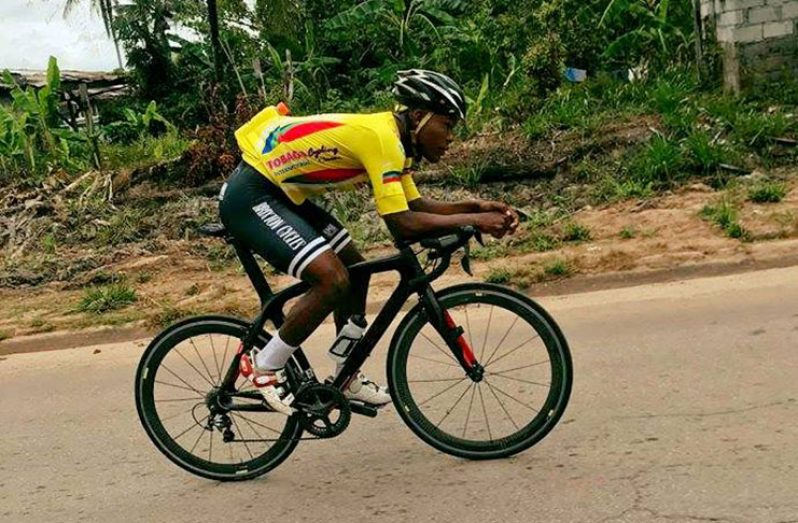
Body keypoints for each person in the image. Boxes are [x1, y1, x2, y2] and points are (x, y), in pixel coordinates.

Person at [219, 69, 519, 415]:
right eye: (448, 125)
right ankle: (264, 367)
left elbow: (415, 207)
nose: (451, 137)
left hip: (284, 195)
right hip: (252, 195)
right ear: (420, 117)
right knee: (332, 278)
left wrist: (475, 207)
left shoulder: (398, 143)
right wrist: (476, 220)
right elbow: (404, 226)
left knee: (356, 270)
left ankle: (345, 376)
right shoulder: (383, 140)